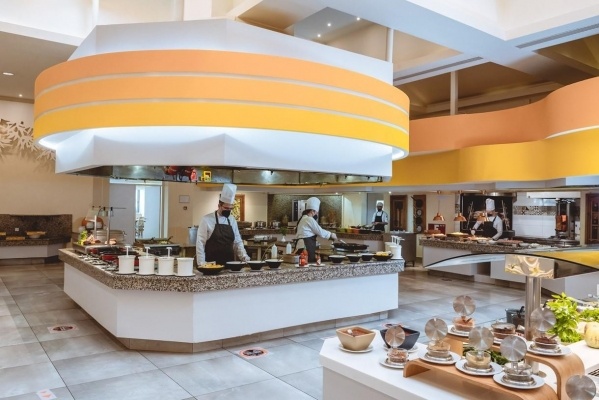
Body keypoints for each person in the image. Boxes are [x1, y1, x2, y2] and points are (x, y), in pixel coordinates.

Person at [196, 183, 251, 265]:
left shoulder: (232, 220)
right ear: (219, 206)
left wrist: (244, 257)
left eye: (230, 208)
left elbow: (237, 242)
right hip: (211, 264)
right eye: (226, 208)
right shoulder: (207, 219)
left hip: (229, 263)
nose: (228, 210)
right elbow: (200, 243)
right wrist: (201, 263)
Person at [295, 197, 337, 262]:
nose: (316, 214)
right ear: (312, 211)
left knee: (302, 263)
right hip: (306, 247)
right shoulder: (309, 219)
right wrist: (331, 235)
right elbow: (320, 231)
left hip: (300, 246)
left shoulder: (303, 218)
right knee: (307, 264)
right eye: (316, 212)